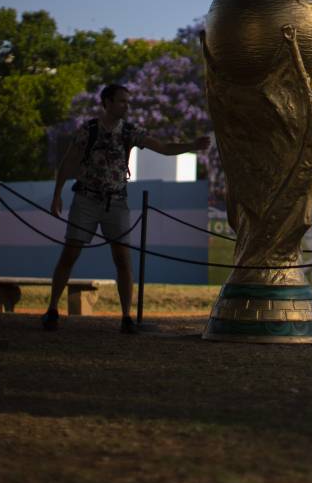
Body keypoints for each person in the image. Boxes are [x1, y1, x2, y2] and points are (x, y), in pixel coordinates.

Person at [41, 84, 211, 334]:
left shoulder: (130, 131)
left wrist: (190, 145)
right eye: (121, 101)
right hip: (86, 199)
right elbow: (68, 162)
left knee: (122, 259)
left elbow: (162, 147)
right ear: (107, 102)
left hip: (117, 202)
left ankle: (126, 317)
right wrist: (57, 195)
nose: (126, 106)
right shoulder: (89, 129)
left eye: (127, 102)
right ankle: (52, 309)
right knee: (70, 254)